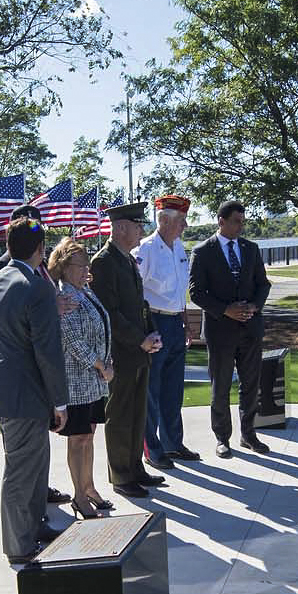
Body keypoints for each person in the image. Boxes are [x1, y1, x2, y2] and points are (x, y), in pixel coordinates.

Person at [0, 217, 69, 564]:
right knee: (22, 471)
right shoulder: (37, 287)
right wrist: (60, 400)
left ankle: (33, 527)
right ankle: (18, 545)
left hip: (2, 384)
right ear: (41, 250)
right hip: (26, 390)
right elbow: (47, 350)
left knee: (35, 465)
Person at [88, 201, 164, 499]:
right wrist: (139, 339)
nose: (141, 230)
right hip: (120, 353)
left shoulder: (126, 259)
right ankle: (121, 474)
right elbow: (110, 312)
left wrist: (150, 333)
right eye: (137, 225)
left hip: (138, 350)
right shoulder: (104, 261)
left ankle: (134, 467)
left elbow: (138, 306)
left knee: (137, 412)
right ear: (120, 228)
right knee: (120, 414)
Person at [189, 200, 272, 457]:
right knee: (221, 386)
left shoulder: (251, 248)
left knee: (250, 384)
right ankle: (222, 438)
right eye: (236, 221)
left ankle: (249, 435)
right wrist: (225, 310)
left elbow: (263, 284)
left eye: (242, 222)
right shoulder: (203, 251)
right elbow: (196, 292)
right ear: (221, 221)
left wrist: (254, 307)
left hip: (250, 328)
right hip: (220, 331)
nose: (240, 226)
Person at [47, 238, 114, 518]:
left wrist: (108, 362)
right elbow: (73, 341)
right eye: (80, 264)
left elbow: (101, 326)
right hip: (76, 383)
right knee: (78, 438)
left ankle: (89, 487)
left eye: (87, 264)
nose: (86, 269)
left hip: (95, 382)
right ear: (63, 267)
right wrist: (101, 366)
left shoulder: (85, 291)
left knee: (89, 436)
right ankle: (79, 496)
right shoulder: (64, 296)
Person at [136, 194, 198, 468]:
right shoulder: (146, 250)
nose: (184, 226)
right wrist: (144, 330)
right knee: (152, 389)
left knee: (173, 389)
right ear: (163, 220)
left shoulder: (179, 248)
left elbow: (178, 290)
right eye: (181, 221)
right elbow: (136, 293)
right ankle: (152, 448)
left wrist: (185, 319)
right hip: (155, 322)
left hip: (174, 322)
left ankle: (173, 442)